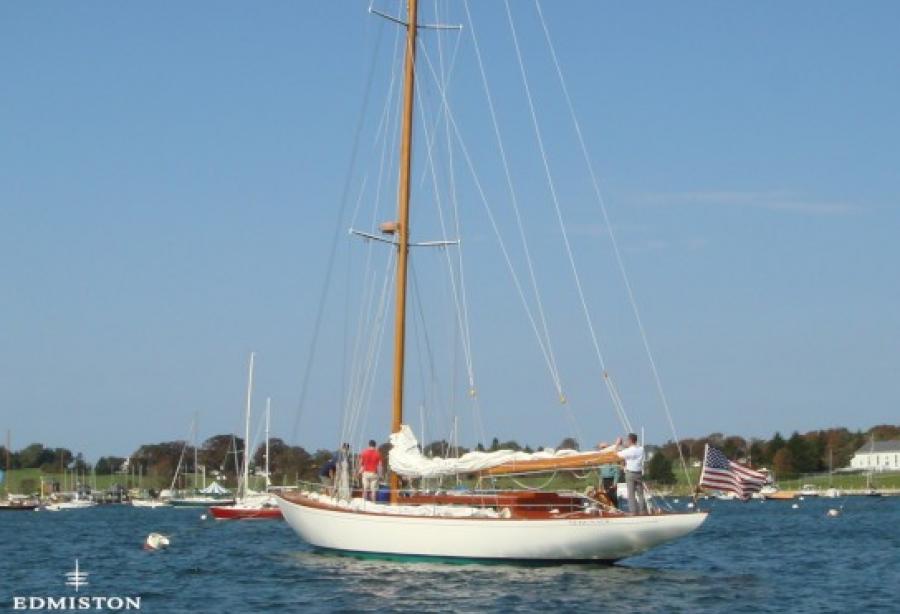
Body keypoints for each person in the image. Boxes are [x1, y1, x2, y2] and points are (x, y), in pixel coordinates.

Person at [616, 433, 647, 515]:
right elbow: (631, 448)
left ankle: (633, 511)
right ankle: (643, 510)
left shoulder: (629, 451)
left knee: (631, 493)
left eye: (627, 440)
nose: (626, 441)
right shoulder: (641, 449)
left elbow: (617, 454)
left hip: (630, 473)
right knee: (640, 493)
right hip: (639, 472)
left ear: (630, 440)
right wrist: (623, 445)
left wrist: (617, 444)